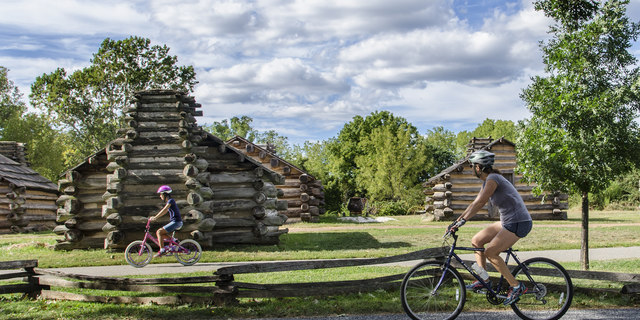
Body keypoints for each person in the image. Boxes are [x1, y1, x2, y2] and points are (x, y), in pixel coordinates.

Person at [447, 150, 533, 306]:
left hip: (519, 221)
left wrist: (463, 221)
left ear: (478, 167)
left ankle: (516, 286)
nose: (472, 168)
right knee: (477, 241)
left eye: (473, 166)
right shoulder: (488, 181)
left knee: (491, 252)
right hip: (508, 220)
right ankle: (483, 279)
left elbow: (480, 203)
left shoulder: (493, 179)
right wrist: (457, 221)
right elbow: (475, 203)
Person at [150, 185, 183, 258]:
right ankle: (174, 240)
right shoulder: (169, 202)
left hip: (176, 222)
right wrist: (156, 217)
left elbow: (164, 210)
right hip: (175, 222)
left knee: (159, 232)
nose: (160, 196)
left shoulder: (171, 201)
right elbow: (165, 212)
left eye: (161, 194)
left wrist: (155, 217)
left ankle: (162, 250)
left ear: (165, 194)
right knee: (161, 233)